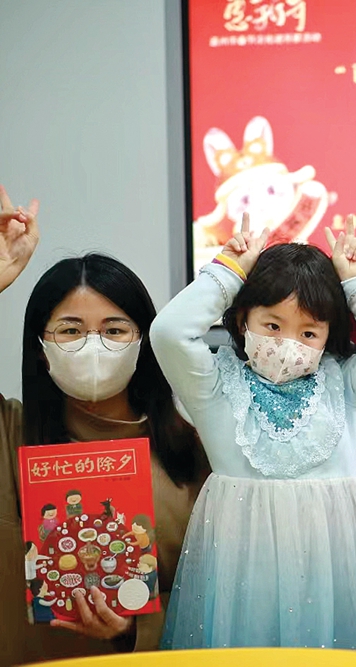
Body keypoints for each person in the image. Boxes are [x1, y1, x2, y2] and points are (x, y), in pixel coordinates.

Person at [152, 215, 356, 655]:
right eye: (272, 325)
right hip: (243, 573)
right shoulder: (213, 387)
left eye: (308, 332)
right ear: (241, 319)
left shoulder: (348, 385)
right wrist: (228, 271)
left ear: (329, 335)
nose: (287, 343)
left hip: (337, 573)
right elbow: (168, 333)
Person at [0, 185, 208, 663]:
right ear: (40, 347)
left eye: (114, 330)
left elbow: (217, 595)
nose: (93, 345)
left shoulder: (193, 452)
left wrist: (138, 624)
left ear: (143, 341)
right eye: (70, 330)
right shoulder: (10, 432)